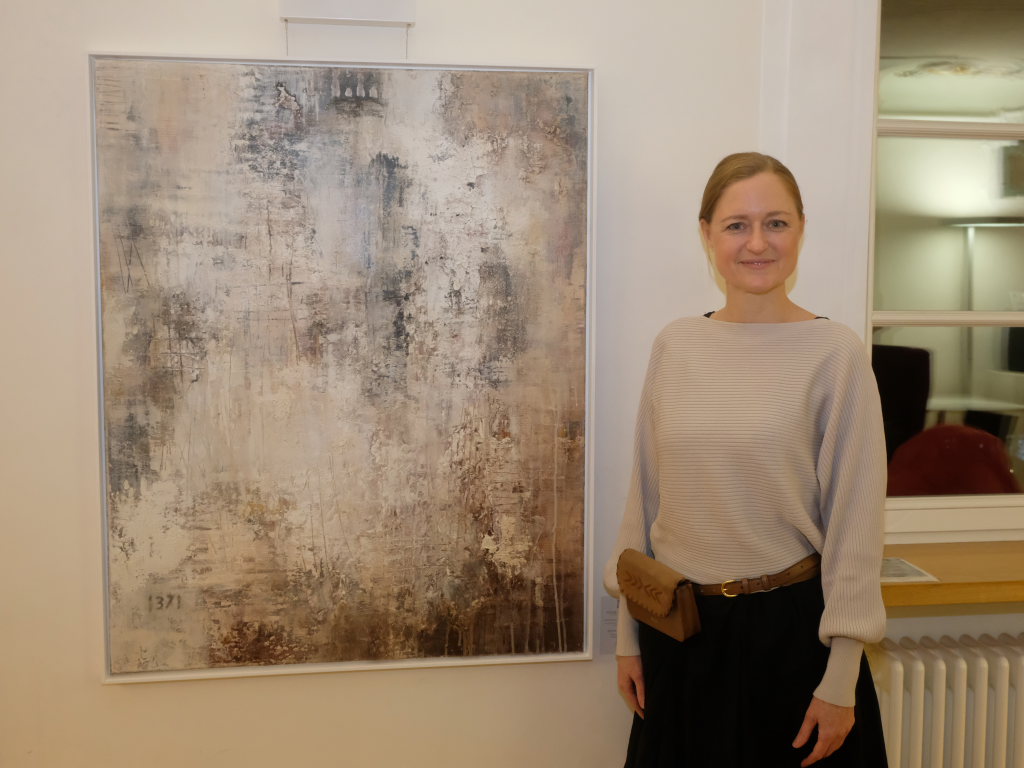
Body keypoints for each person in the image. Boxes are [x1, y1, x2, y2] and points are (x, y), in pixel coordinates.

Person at [604, 152, 888, 767]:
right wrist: (629, 636)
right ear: (707, 234)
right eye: (737, 225)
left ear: (801, 229)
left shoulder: (835, 354)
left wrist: (841, 677)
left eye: (775, 223)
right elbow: (644, 501)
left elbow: (856, 530)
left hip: (793, 640)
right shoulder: (675, 345)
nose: (757, 243)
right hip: (677, 632)